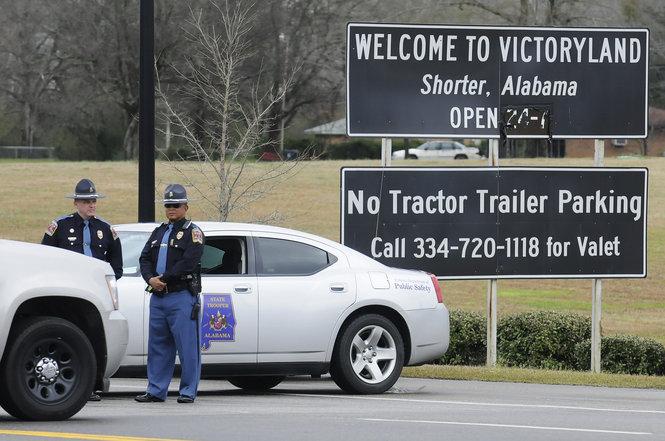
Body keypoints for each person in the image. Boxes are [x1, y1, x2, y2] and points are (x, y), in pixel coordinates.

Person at [41, 178, 123, 401]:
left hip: (95, 298)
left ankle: (93, 385)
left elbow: (116, 267)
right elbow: (45, 259)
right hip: (67, 297)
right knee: (64, 339)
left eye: (94, 201)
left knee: (94, 340)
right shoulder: (60, 226)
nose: (92, 205)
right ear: (76, 202)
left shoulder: (106, 229)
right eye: (87, 201)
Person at [135, 184, 204, 404]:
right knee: (158, 346)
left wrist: (163, 278)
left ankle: (187, 391)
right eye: (168, 205)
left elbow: (188, 263)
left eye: (176, 205)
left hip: (181, 295)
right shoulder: (159, 231)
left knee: (187, 346)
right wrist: (150, 279)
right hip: (158, 297)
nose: (171, 209)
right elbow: (144, 258)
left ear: (185, 206)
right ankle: (156, 390)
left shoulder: (193, 233)